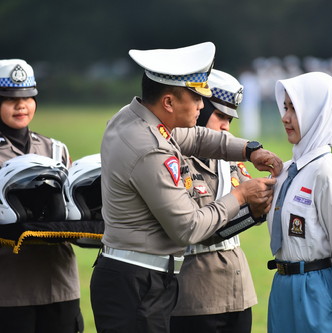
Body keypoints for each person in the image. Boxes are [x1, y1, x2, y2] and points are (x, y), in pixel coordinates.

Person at [90, 42, 282, 333]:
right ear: (168, 102)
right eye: (196, 99)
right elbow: (189, 228)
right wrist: (240, 195)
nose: (202, 106)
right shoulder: (149, 148)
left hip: (134, 277)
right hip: (138, 285)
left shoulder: (136, 118)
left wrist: (249, 150)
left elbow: (199, 138)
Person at [266, 72, 332, 333]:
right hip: (282, 287)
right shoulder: (286, 172)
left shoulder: (327, 173)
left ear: (316, 113)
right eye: (285, 107)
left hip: (316, 290)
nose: (285, 117)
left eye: (294, 109)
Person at [170, 69, 258, 332]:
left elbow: (255, 208)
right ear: (201, 108)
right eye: (220, 115)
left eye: (230, 119)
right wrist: (247, 205)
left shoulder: (229, 156)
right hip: (193, 295)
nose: (226, 127)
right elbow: (196, 228)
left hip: (239, 291)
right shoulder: (171, 156)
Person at [0, 59, 83, 332]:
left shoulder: (55, 150)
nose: (21, 105)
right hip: (9, 289)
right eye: (10, 99)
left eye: (28, 97)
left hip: (59, 284)